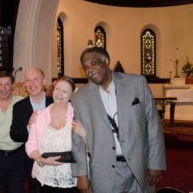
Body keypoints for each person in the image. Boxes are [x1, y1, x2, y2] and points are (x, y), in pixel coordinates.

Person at [70, 46, 166, 193]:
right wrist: (81, 174)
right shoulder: (79, 98)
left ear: (107, 61)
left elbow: (153, 125)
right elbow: (77, 141)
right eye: (86, 67)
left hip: (139, 167)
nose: (90, 69)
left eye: (94, 63)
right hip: (104, 172)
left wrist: (156, 163)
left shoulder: (137, 84)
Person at [26, 76, 81, 193]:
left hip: (73, 178)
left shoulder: (79, 115)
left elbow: (91, 147)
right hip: (45, 178)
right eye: (57, 89)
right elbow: (31, 145)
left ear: (72, 95)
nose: (59, 94)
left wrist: (85, 135)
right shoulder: (39, 115)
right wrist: (41, 159)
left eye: (65, 91)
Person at [10, 67, 53, 193]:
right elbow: (14, 134)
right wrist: (29, 126)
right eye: (28, 80)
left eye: (35, 79)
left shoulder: (55, 102)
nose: (31, 84)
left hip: (54, 159)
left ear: (44, 81)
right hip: (30, 161)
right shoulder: (19, 106)